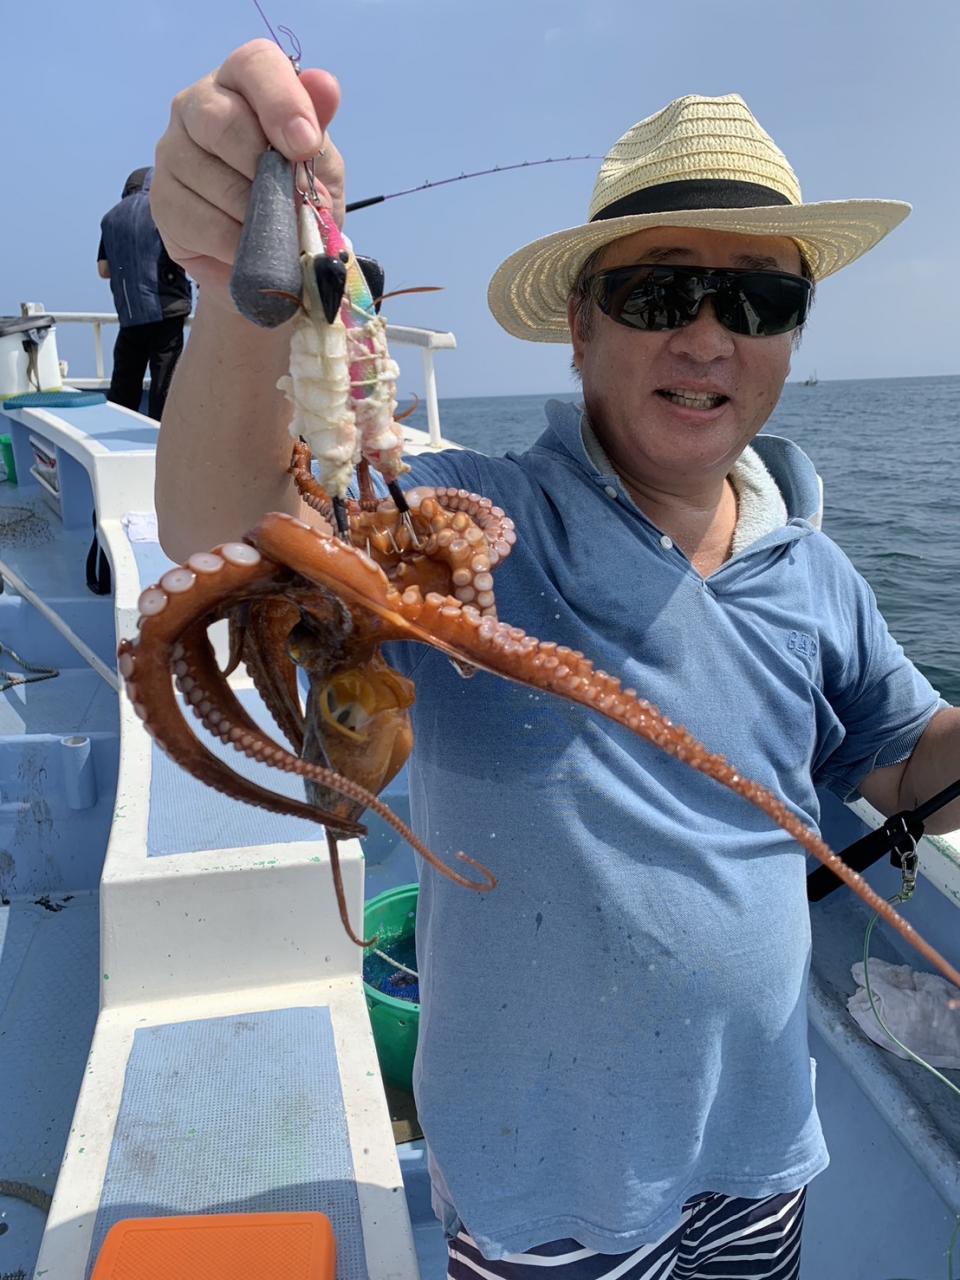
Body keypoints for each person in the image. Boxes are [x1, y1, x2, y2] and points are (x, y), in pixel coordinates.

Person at [149, 42, 959, 1280]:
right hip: (542, 1188)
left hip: (762, 1147)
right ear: (579, 326)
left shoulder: (813, 571)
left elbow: (904, 766)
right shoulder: (466, 518)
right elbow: (229, 525)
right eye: (660, 292)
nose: (709, 336)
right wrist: (229, 286)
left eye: (758, 300)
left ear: (793, 337)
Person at [97, 166, 192, 419]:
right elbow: (183, 253)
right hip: (166, 308)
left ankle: (115, 430)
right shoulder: (164, 209)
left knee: (124, 385)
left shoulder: (110, 218)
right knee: (164, 383)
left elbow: (104, 269)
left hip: (130, 314)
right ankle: (160, 435)